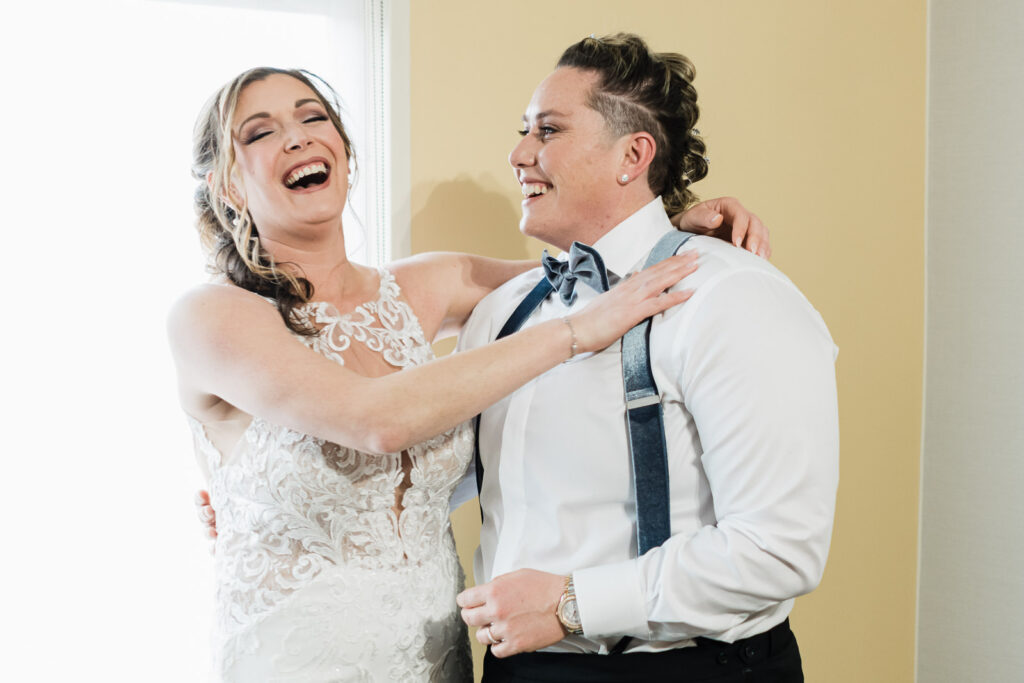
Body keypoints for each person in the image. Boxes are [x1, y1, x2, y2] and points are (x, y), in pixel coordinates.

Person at [173, 66, 767, 682]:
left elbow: (592, 272)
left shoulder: (428, 284)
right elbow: (377, 420)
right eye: (261, 132)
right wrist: (573, 335)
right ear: (228, 186)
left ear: (345, 153)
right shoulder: (212, 317)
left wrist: (670, 231)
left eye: (313, 117)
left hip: (435, 656)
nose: (297, 138)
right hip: (298, 660)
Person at [453, 34, 839, 683]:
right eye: (523, 131)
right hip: (516, 670)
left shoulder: (732, 296)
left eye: (548, 130)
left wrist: (574, 604)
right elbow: (432, 478)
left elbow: (780, 549)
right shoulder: (501, 310)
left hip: (686, 669)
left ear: (633, 153)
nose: (519, 154)